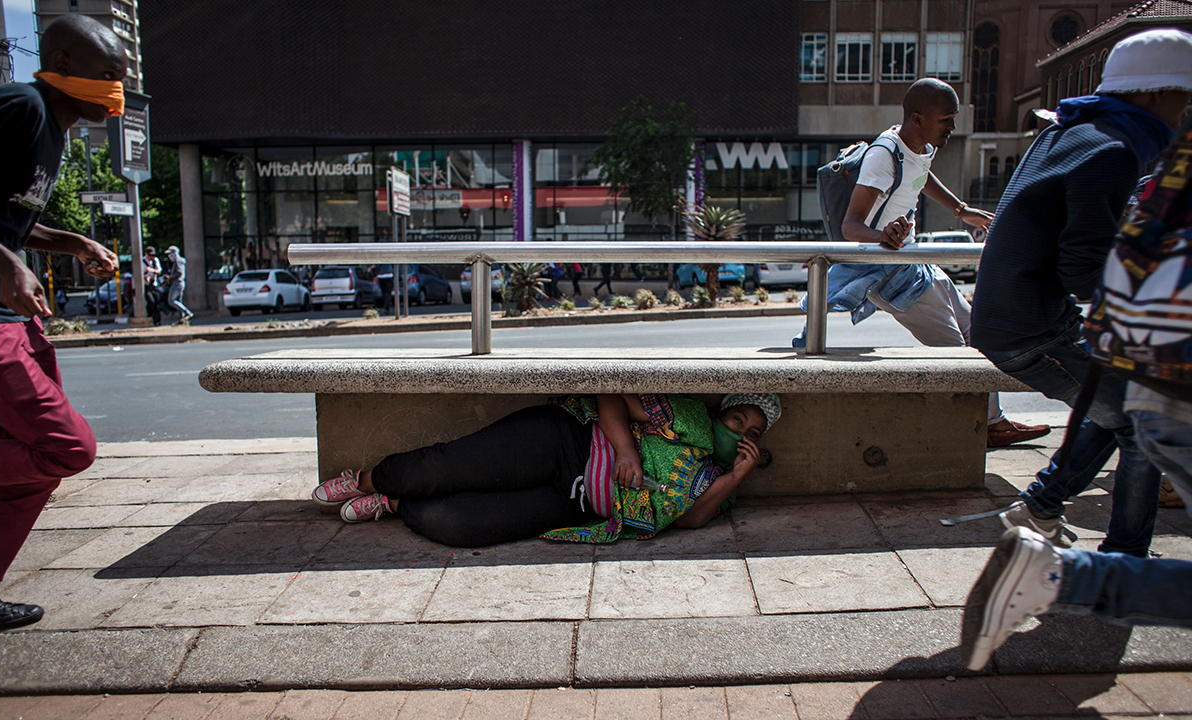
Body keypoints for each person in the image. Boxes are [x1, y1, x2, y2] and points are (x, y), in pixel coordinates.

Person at [971, 29, 1192, 558]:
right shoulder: (1116, 152)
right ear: (1158, 94)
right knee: (1142, 423)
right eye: (1184, 100)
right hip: (1033, 329)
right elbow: (1083, 270)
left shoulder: (1070, 130)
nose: (1184, 114)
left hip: (1018, 317)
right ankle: (1123, 558)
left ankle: (1042, 505)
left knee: (1114, 408)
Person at [795, 78, 1049, 448]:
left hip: (915, 262)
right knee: (957, 356)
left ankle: (992, 422)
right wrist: (881, 237)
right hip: (892, 274)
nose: (952, 128)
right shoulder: (884, 156)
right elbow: (851, 226)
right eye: (946, 119)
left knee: (977, 332)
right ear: (917, 118)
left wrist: (962, 211)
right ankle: (975, 429)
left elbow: (920, 175)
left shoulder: (919, 146)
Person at [0, 14, 125, 631]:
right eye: (105, 75)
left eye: (123, 76)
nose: (116, 89)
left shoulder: (57, 133)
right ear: (61, 66)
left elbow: (8, 219)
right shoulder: (20, 107)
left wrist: (68, 242)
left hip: (13, 317)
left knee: (35, 460)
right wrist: (8, 264)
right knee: (66, 446)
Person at [310, 393, 781, 547]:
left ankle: (393, 502)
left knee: (457, 525)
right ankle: (367, 480)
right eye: (738, 418)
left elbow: (690, 519)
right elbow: (611, 395)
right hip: (568, 441)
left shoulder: (723, 485)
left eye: (753, 433)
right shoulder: (691, 419)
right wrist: (625, 452)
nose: (742, 432)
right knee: (451, 465)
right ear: (722, 412)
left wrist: (736, 476)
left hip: (574, 502)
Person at [164, 245, 193, 323]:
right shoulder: (179, 261)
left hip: (177, 283)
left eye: (170, 253)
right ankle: (182, 319)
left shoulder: (178, 260)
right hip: (179, 283)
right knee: (178, 301)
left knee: (172, 300)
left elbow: (179, 273)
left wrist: (170, 277)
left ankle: (187, 312)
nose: (169, 256)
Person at [141, 244, 162, 325]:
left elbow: (159, 271)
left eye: (153, 255)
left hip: (154, 284)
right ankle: (151, 318)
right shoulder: (142, 261)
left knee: (157, 302)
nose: (152, 257)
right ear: (146, 254)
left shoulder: (155, 260)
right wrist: (145, 276)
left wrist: (151, 270)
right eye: (150, 255)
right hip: (146, 285)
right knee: (151, 302)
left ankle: (157, 321)